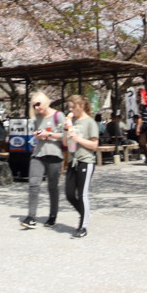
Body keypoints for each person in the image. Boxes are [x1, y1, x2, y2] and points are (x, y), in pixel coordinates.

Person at [20, 91, 65, 229]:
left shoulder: (59, 116)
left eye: (38, 104)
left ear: (44, 101)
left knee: (52, 187)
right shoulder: (37, 118)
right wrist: (38, 135)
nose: (37, 108)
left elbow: (66, 135)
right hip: (38, 154)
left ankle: (52, 216)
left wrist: (48, 134)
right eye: (34, 106)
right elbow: (37, 133)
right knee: (33, 184)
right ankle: (31, 217)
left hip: (55, 155)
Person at [64, 94, 99, 239]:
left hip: (86, 160)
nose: (71, 110)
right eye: (69, 107)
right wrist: (66, 129)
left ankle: (82, 226)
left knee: (82, 194)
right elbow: (66, 144)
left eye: (73, 107)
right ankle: (85, 213)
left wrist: (78, 139)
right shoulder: (73, 122)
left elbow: (94, 145)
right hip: (73, 161)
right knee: (69, 193)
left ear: (81, 107)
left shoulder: (90, 122)